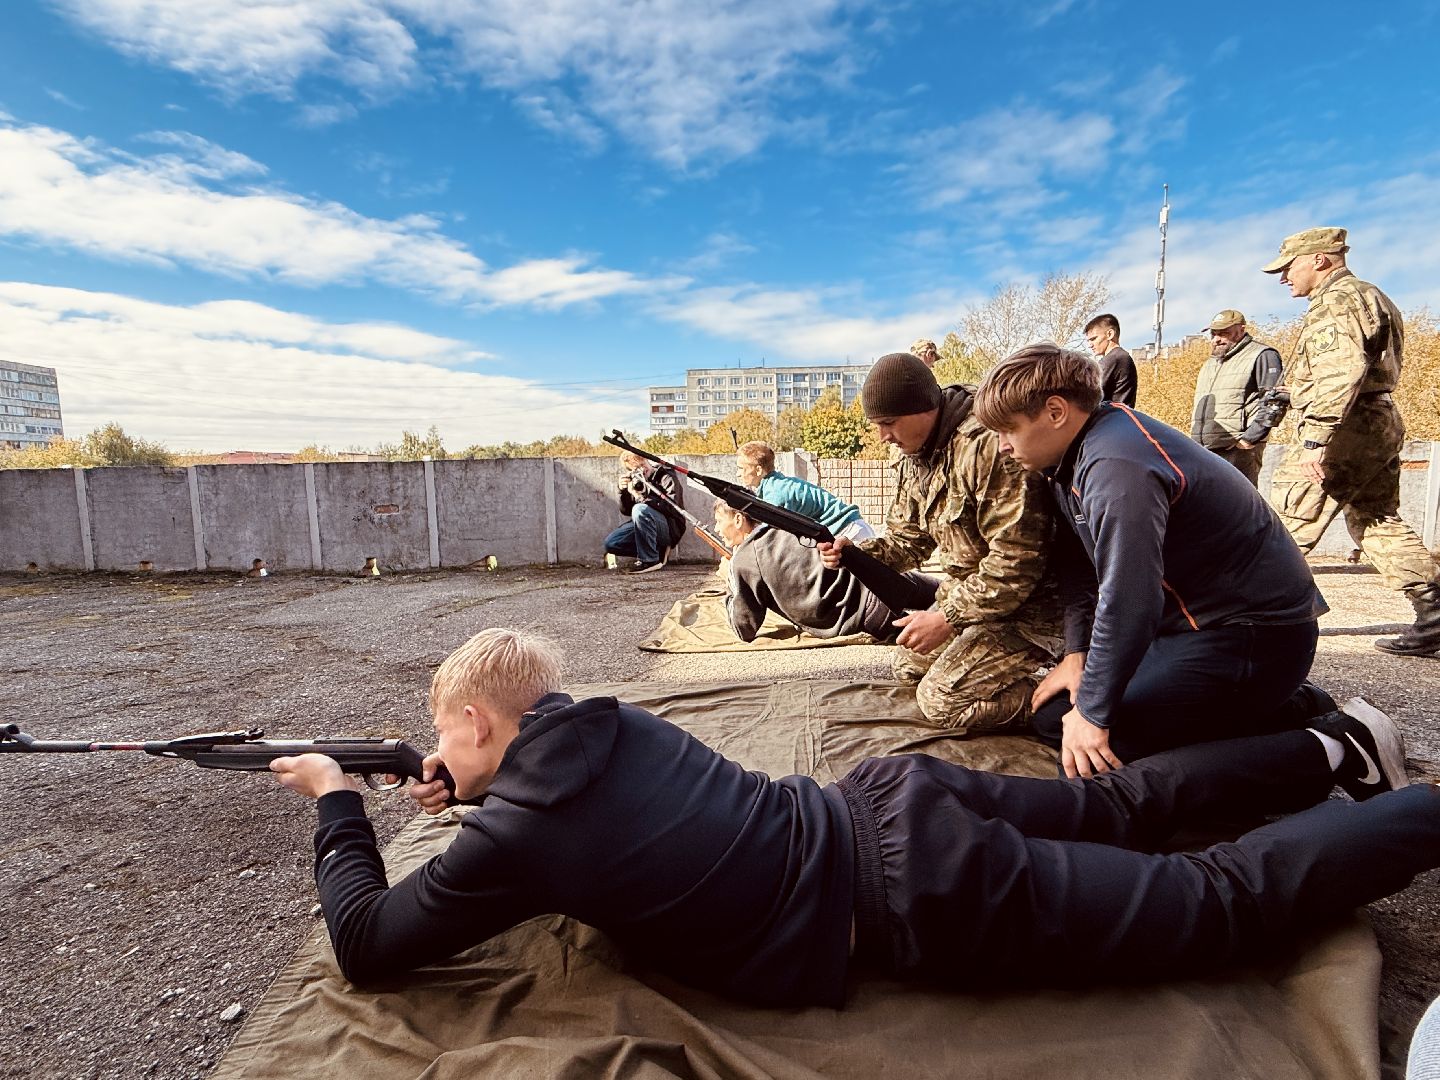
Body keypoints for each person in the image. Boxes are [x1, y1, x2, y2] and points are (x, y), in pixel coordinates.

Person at [270, 627, 1436, 1012]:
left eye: (449, 731)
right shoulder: (602, 723)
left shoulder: (522, 834)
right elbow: (543, 759)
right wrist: (458, 782)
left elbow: (371, 948)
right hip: (890, 793)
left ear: (475, 719)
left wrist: (337, 804)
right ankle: (1328, 748)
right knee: (1126, 804)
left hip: (905, 892)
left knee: (1214, 902)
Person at [973, 344, 1330, 777]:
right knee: (1057, 713)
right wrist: (1076, 654)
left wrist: (1093, 714)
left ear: (1055, 411)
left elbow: (1129, 598)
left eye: (1008, 430)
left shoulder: (1117, 463)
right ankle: (1265, 703)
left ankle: (1305, 722)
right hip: (1191, 628)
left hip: (1255, 636)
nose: (1003, 447)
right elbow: (1079, 569)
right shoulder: (1068, 459)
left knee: (1093, 741)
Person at [819, 352, 1061, 733]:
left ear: (923, 409)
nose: (883, 436)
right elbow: (910, 540)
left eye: (888, 423)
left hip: (1032, 611)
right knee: (907, 665)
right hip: (973, 597)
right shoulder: (915, 453)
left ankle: (1057, 685)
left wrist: (946, 619)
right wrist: (854, 554)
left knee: (942, 702)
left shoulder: (987, 446)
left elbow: (1017, 563)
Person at [1262, 226, 1440, 658]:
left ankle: (1261, 625)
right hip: (1374, 422)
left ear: (1320, 259)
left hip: (1342, 430)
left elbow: (1341, 371)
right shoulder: (1370, 295)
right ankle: (1436, 615)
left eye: (1289, 267)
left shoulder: (1336, 303)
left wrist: (1315, 439)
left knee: (1282, 527)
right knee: (1377, 519)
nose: (1285, 277)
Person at [714, 501, 935, 642]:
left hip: (869, 614)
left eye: (718, 521)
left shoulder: (743, 561)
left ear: (738, 519)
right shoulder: (789, 525)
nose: (716, 529)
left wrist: (730, 582)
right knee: (953, 598)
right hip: (885, 577)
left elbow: (743, 628)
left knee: (949, 638)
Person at [1188, 309, 1287, 487]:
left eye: (1224, 333)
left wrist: (1251, 437)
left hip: (1238, 447)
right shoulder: (1211, 363)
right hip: (1206, 448)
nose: (1217, 339)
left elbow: (1275, 399)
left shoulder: (1262, 355)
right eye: (1214, 333)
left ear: (1241, 330)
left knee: (1240, 507)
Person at [736, 441, 875, 541]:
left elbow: (770, 536)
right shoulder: (776, 485)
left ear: (759, 470)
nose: (738, 474)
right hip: (850, 529)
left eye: (741, 468)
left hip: (850, 533)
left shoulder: (775, 493)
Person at [603, 451, 685, 574]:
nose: (642, 469)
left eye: (642, 464)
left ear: (647, 460)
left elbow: (672, 508)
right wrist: (623, 491)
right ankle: (657, 552)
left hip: (669, 527)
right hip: (646, 526)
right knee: (612, 543)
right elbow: (626, 511)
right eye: (636, 468)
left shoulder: (666, 476)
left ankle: (650, 560)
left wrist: (640, 497)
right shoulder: (636, 482)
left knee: (640, 509)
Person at [1084, 313, 1137, 407]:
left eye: (1093, 339)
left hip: (1111, 419)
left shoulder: (1115, 358)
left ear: (1110, 334)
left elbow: (1086, 394)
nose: (1090, 345)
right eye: (1088, 341)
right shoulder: (1122, 357)